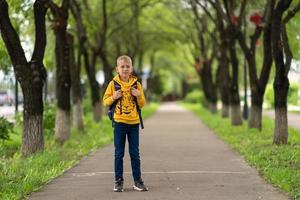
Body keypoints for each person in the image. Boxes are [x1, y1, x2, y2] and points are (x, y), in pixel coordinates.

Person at [103, 55, 148, 192]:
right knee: (119, 154)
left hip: (134, 123)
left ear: (131, 68)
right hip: (119, 124)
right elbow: (105, 101)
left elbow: (142, 104)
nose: (125, 69)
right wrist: (113, 97)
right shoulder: (113, 84)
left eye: (128, 66)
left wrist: (138, 95)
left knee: (135, 153)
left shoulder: (137, 84)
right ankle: (118, 181)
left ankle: (137, 181)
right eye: (122, 66)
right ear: (117, 69)